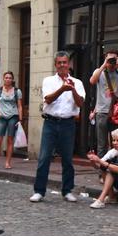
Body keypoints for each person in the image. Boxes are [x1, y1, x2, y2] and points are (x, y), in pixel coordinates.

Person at [30, 51, 85, 203]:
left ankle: (67, 190)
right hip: (51, 122)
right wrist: (62, 88)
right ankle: (39, 191)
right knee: (44, 158)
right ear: (55, 65)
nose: (62, 65)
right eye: (59, 62)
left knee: (67, 159)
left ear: (69, 64)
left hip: (68, 123)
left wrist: (72, 89)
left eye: (64, 62)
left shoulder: (77, 82)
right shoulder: (48, 81)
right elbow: (48, 99)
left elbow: (80, 103)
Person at [89, 49, 118, 159]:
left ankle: (114, 169)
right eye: (109, 58)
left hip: (116, 113)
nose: (111, 62)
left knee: (116, 144)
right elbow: (92, 81)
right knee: (102, 145)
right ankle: (102, 171)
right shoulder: (100, 72)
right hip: (102, 112)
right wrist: (104, 64)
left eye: (114, 59)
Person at [0, 71, 23, 170]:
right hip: (2, 116)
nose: (8, 79)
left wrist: (20, 119)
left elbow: (19, 106)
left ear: (12, 79)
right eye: (6, 77)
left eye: (10, 78)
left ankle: (7, 163)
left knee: (10, 140)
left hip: (13, 117)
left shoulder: (17, 91)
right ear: (3, 79)